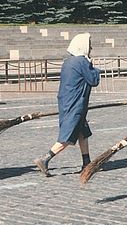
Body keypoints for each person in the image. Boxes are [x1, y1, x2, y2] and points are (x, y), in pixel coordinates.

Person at [33, 33, 101, 175]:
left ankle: (86, 163)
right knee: (68, 133)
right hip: (76, 102)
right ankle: (45, 158)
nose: (91, 47)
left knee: (83, 132)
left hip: (67, 100)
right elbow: (93, 80)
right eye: (89, 45)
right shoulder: (82, 62)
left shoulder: (68, 61)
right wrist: (94, 68)